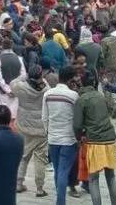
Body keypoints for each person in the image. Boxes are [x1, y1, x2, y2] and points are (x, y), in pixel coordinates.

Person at [74, 70, 116, 205]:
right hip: (109, 139)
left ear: (81, 83)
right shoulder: (101, 96)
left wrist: (79, 137)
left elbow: (77, 125)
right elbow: (114, 111)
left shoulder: (81, 100)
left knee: (93, 179)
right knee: (111, 177)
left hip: (94, 142)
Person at [44, 66, 80, 205]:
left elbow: (44, 117)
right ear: (71, 80)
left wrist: (49, 132)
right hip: (69, 139)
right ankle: (60, 202)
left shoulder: (48, 94)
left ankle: (60, 200)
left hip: (53, 138)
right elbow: (77, 119)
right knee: (63, 172)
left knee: (58, 171)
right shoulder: (73, 96)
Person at [12, 65, 49, 196]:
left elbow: (12, 83)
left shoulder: (21, 87)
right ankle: (39, 188)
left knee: (23, 156)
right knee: (40, 159)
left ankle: (18, 184)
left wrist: (24, 76)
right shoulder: (46, 89)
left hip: (24, 126)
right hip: (41, 129)